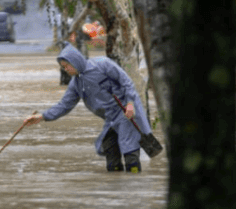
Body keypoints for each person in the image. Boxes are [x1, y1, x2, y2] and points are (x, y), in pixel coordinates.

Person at [24, 44, 153, 173]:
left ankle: (135, 183)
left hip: (126, 111)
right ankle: (116, 187)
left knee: (129, 148)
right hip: (111, 119)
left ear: (75, 61)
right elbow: (64, 105)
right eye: (63, 67)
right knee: (110, 151)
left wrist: (130, 103)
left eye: (66, 65)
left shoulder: (103, 64)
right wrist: (42, 117)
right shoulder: (76, 84)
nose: (66, 69)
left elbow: (126, 82)